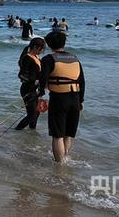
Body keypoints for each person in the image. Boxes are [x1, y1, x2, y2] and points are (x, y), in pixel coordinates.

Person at [38, 31, 85, 163]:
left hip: (59, 99)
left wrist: (39, 95)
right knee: (68, 133)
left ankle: (59, 166)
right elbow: (82, 81)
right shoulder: (75, 59)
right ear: (64, 43)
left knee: (57, 135)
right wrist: (81, 100)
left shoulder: (48, 59)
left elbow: (42, 80)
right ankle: (65, 159)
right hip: (75, 98)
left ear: (49, 44)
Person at [16, 38, 46, 130]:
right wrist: (36, 80)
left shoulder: (37, 58)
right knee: (31, 115)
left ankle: (32, 134)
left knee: (36, 113)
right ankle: (16, 131)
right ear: (35, 47)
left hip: (36, 89)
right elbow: (22, 75)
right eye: (41, 49)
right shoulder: (27, 58)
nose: (42, 51)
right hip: (28, 90)